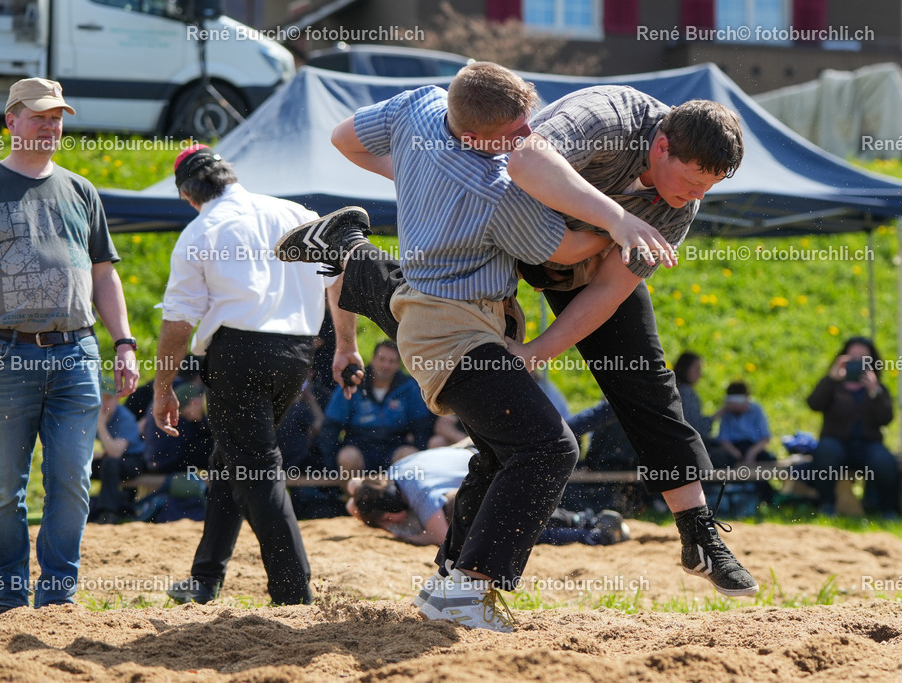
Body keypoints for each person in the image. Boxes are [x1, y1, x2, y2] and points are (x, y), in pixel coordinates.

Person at [278, 66, 757, 605]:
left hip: (562, 254)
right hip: (520, 227)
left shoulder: (678, 205)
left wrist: (535, 351)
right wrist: (617, 220)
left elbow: (606, 291)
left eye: (707, 189)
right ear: (662, 145)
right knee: (440, 315)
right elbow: (529, 166)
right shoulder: (608, 116)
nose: (694, 197)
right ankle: (353, 252)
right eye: (692, 182)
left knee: (644, 379)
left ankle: (697, 533)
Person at [0, 77, 139, 616]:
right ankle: (8, 592)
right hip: (3, 356)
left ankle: (58, 593)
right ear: (11, 121)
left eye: (57, 118)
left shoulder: (81, 190)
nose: (50, 126)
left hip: (76, 354)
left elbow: (104, 276)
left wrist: (123, 342)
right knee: (5, 485)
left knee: (72, 481)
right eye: (39, 117)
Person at [154, 144, 353, 607]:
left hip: (237, 353)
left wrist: (164, 387)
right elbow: (337, 275)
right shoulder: (295, 211)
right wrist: (346, 344)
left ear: (189, 196)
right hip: (297, 354)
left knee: (256, 468)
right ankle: (204, 579)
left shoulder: (200, 230)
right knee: (233, 461)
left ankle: (293, 592)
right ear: (231, 176)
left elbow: (178, 322)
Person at [347, 445, 630, 548]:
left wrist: (399, 533)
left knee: (505, 532)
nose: (391, 521)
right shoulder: (392, 475)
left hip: (497, 474)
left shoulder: (421, 496)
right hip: (487, 462)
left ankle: (590, 532)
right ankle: (588, 521)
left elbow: (441, 539)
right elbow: (353, 495)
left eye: (388, 517)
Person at [807, 336, 899, 517]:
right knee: (826, 451)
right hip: (836, 443)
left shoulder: (878, 389)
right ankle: (826, 505)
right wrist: (831, 379)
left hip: (867, 444)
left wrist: (875, 392)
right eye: (852, 357)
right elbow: (814, 404)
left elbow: (885, 419)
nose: (857, 362)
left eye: (863, 357)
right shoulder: (833, 385)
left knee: (885, 461)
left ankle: (888, 510)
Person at [319, 340, 434, 476]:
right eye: (382, 359)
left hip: (395, 446)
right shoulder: (353, 383)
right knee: (347, 457)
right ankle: (351, 496)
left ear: (398, 365)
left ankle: (399, 496)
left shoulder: (410, 387)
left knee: (411, 456)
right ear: (372, 360)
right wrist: (331, 465)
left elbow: (422, 429)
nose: (386, 365)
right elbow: (331, 426)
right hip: (359, 446)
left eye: (391, 361)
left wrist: (418, 448)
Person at [90, 377, 147, 524]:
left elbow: (116, 452)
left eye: (107, 398)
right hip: (109, 457)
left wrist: (100, 424)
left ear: (116, 400)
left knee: (110, 463)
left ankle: (107, 514)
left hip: (134, 461)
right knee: (73, 464)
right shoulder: (89, 415)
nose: (103, 403)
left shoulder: (125, 417)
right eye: (99, 398)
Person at [141, 380, 213, 476]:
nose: (189, 419)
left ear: (194, 402)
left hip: (156, 461)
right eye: (186, 416)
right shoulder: (179, 416)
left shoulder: (164, 402)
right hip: (164, 462)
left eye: (187, 415)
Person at [714, 381, 775, 469]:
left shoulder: (756, 410)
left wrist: (751, 453)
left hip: (754, 448)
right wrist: (735, 453)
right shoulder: (727, 413)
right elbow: (723, 439)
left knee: (769, 460)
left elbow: (765, 438)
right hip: (734, 448)